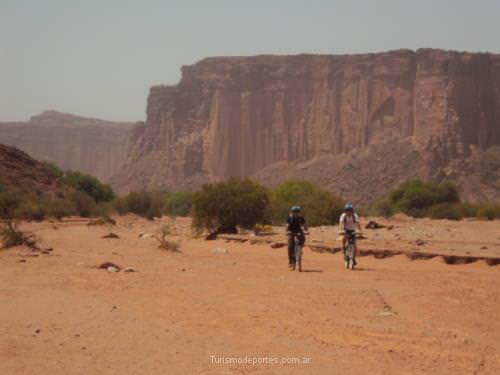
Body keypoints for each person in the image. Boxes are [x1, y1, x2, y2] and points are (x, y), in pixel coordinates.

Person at [286, 205, 308, 270]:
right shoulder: (289, 218)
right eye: (294, 212)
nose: (296, 213)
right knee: (290, 246)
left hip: (299, 232)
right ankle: (291, 262)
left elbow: (305, 226)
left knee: (303, 238)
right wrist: (287, 230)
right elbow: (287, 226)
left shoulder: (301, 218)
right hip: (291, 232)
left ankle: (300, 248)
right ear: (292, 212)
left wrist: (306, 230)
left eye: (297, 211)